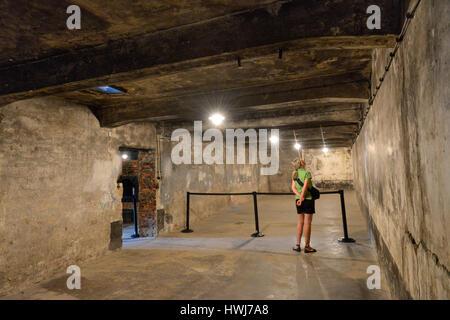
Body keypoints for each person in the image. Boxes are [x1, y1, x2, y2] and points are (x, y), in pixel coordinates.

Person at [291, 158, 317, 253]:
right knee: (307, 223)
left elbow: (293, 188)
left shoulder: (295, 174)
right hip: (308, 200)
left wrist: (299, 197)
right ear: (302, 164)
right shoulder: (307, 173)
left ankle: (297, 245)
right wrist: (302, 197)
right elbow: (305, 187)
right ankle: (307, 246)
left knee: (300, 222)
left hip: (298, 201)